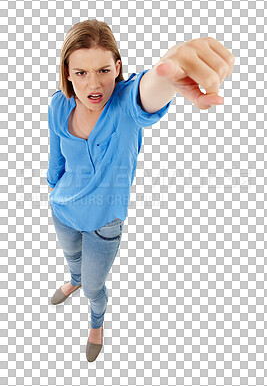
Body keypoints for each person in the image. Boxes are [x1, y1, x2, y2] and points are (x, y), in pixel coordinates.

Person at [47, 19, 235, 363]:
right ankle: (72, 279)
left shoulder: (123, 108)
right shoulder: (58, 105)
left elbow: (146, 92)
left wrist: (168, 72)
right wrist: (52, 186)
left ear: (117, 67)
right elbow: (55, 158)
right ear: (68, 73)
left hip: (105, 223)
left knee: (94, 288)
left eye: (104, 70)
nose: (94, 84)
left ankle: (96, 323)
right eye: (81, 72)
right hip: (62, 211)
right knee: (73, 261)